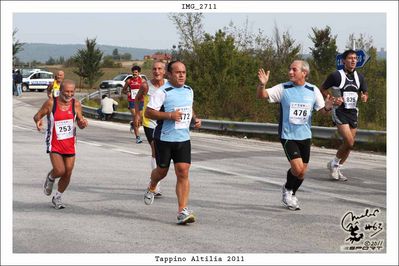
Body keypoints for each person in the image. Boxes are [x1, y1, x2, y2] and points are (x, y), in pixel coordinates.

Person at [256, 60, 333, 211]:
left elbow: (322, 111)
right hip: (288, 135)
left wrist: (328, 108)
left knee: (302, 172)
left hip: (305, 136)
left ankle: (291, 193)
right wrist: (262, 84)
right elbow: (262, 95)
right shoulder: (283, 88)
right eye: (289, 69)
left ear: (304, 73)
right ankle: (286, 190)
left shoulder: (312, 90)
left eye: (294, 69)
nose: (290, 72)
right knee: (297, 169)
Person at [143, 60, 201, 224]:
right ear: (169, 74)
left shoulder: (189, 90)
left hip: (183, 139)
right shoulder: (163, 91)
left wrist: (195, 119)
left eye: (184, 72)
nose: (181, 75)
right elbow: (148, 113)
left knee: (183, 172)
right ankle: (152, 184)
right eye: (178, 72)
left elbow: (188, 108)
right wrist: (169, 116)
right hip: (164, 138)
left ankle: (182, 210)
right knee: (162, 172)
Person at [33, 79, 88, 209]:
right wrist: (38, 121)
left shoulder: (76, 104)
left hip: (69, 143)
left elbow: (80, 122)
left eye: (72, 92)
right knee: (60, 170)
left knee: (68, 172)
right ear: (60, 91)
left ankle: (57, 197)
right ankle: (51, 177)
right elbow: (37, 116)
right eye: (66, 91)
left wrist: (82, 123)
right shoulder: (51, 103)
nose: (69, 94)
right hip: (54, 142)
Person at [320, 49, 368, 181]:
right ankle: (334, 164)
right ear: (344, 61)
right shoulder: (336, 75)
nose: (353, 60)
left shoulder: (360, 77)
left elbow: (365, 92)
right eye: (350, 58)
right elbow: (322, 88)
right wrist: (332, 99)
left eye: (355, 58)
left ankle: (336, 166)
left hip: (353, 112)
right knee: (349, 141)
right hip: (339, 111)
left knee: (349, 145)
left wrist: (364, 97)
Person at [134, 61, 167, 196]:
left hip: (164, 122)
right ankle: (156, 185)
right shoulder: (146, 85)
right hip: (150, 122)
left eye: (160, 69)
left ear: (164, 71)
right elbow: (137, 99)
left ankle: (154, 179)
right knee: (155, 149)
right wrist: (137, 115)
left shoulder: (169, 85)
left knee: (162, 153)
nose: (157, 71)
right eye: (154, 69)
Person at [123, 65, 144, 144]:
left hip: (140, 101)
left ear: (139, 73)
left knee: (140, 119)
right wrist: (127, 92)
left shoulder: (142, 81)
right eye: (133, 73)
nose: (134, 74)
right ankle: (138, 137)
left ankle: (133, 124)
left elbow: (146, 90)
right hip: (132, 100)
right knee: (136, 117)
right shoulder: (129, 81)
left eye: (136, 72)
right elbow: (123, 90)